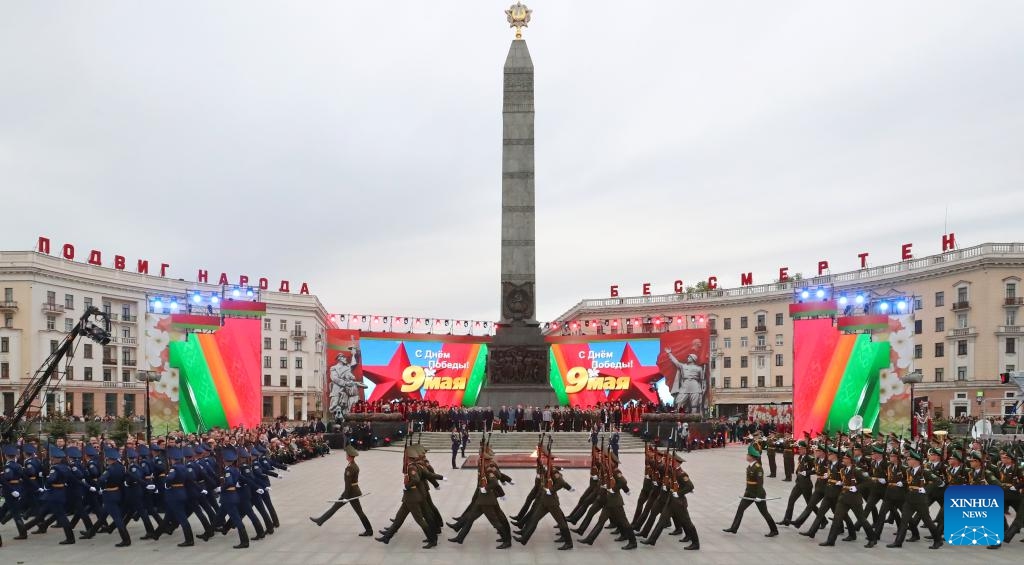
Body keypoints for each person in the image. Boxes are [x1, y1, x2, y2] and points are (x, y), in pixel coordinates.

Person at [309, 445, 373, 536]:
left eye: (347, 454)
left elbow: (348, 484)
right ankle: (320, 520)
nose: (346, 456)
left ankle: (369, 530)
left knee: (356, 511)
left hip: (350, 493)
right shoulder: (354, 465)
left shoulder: (350, 468)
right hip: (353, 491)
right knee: (339, 507)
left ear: (349, 456)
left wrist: (345, 497)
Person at [723, 444, 778, 537]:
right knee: (740, 509)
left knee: (764, 513)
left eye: (748, 455)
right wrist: (747, 491)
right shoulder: (750, 466)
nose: (746, 456)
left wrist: (759, 496)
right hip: (749, 493)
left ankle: (774, 530)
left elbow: (760, 484)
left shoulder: (758, 468)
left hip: (757, 494)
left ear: (752, 457)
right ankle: (734, 528)